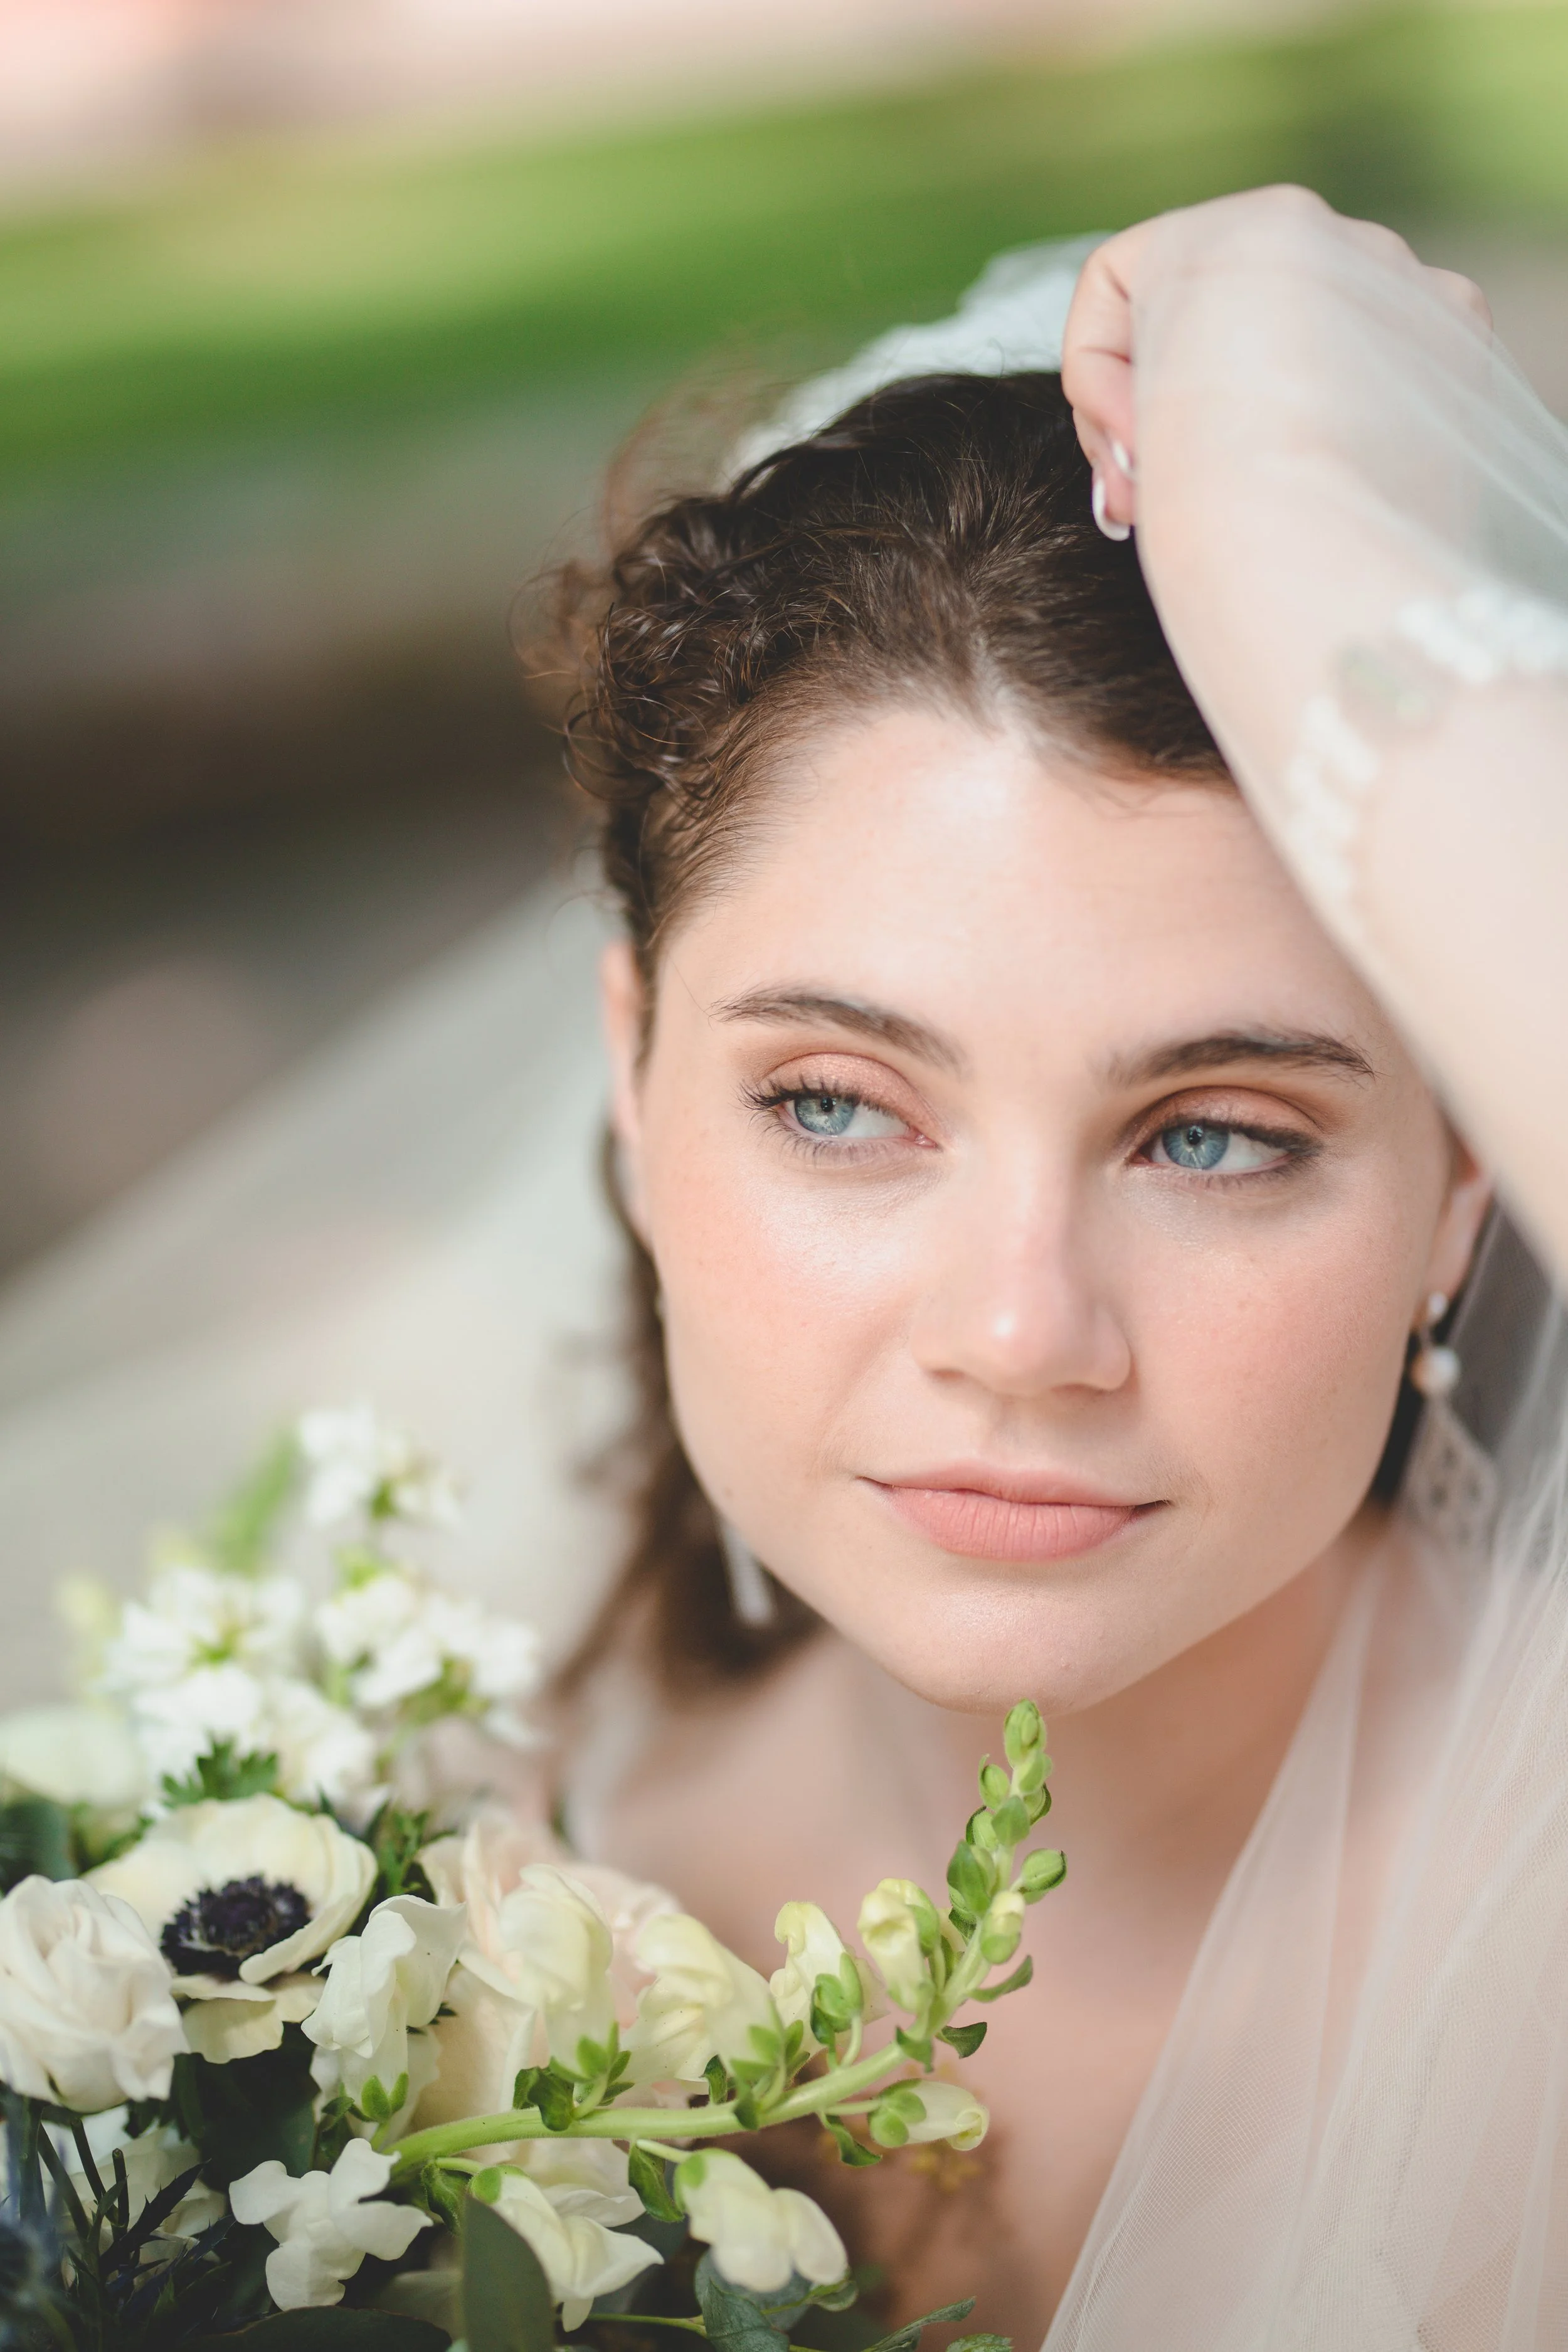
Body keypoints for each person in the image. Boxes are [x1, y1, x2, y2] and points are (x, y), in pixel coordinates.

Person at [554, 189, 1568, 2346]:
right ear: (636, 1077)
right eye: (838, 1104)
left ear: (1469, 1176)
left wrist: (1298, 516)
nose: (1023, 1332)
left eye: (1211, 1135)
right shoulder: (431, 1877)